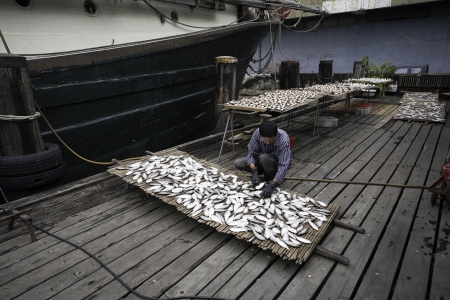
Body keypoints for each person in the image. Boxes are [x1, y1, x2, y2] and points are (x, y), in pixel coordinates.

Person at [234, 121, 292, 198]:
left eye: (271, 140)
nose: (268, 143)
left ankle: (272, 178)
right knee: (238, 163)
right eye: (265, 140)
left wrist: (272, 184)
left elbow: (284, 165)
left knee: (264, 157)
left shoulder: (283, 139)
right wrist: (254, 170)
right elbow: (252, 153)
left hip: (276, 163)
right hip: (262, 159)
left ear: (276, 135)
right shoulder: (257, 133)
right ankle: (261, 173)